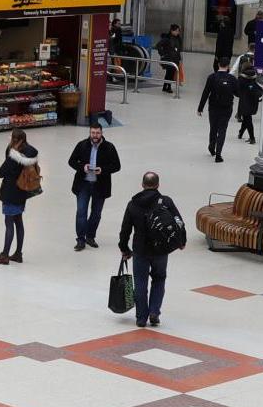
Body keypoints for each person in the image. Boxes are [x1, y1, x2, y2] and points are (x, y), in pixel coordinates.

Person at [116, 170, 182, 329]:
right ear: (158, 185)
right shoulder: (166, 202)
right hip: (161, 249)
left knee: (140, 283)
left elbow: (125, 229)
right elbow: (178, 222)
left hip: (140, 249)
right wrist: (181, 241)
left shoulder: (133, 204)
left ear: (142, 185)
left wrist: (124, 248)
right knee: (159, 279)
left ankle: (140, 318)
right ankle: (154, 312)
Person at [67, 118, 120, 251]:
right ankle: (80, 239)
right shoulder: (82, 145)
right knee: (81, 212)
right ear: (89, 133)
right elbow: (71, 161)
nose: (95, 135)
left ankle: (90, 236)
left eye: (97, 133)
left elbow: (116, 166)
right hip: (83, 184)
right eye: (93, 133)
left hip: (100, 186)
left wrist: (102, 170)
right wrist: (82, 167)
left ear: (101, 133)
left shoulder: (109, 147)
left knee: (96, 213)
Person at [0, 131, 40, 265]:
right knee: (18, 221)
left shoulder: (14, 157)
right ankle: (18, 253)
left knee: (9, 224)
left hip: (10, 192)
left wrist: (10, 155)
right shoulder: (30, 154)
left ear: (15, 140)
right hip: (22, 192)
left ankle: (5, 255)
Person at [197, 61, 240, 162]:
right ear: (228, 66)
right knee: (222, 130)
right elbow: (238, 94)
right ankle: (218, 155)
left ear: (218, 65)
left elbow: (206, 93)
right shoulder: (232, 79)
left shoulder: (212, 77)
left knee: (213, 127)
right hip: (227, 108)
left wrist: (200, 108)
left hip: (213, 107)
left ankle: (211, 147)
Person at [235, 59, 262, 144]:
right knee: (247, 117)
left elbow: (237, 90)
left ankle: (252, 138)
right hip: (254, 101)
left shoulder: (241, 78)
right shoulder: (256, 77)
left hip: (244, 100)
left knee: (247, 119)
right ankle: (241, 133)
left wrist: (239, 95)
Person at [156, 25, 183, 94]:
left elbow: (178, 50)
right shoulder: (167, 38)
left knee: (171, 73)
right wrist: (162, 54)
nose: (177, 32)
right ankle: (168, 86)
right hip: (168, 58)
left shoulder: (178, 39)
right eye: (176, 31)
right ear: (172, 31)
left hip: (175, 59)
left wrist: (180, 59)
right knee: (169, 72)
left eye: (178, 31)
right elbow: (158, 45)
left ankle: (165, 86)